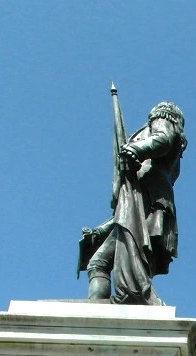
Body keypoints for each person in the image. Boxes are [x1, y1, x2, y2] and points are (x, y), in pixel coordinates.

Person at [80, 101, 187, 305]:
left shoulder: (164, 119)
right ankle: (96, 313)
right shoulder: (135, 187)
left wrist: (134, 149)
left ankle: (126, 301)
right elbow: (124, 216)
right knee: (98, 264)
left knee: (101, 263)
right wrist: (99, 231)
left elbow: (162, 139)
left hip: (152, 202)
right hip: (143, 204)